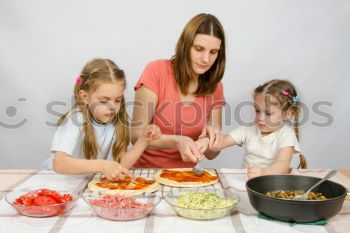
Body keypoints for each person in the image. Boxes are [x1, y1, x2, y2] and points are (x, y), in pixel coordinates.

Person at [131, 13, 226, 168]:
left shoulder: (216, 87)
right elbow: (135, 136)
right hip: (145, 173)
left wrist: (209, 140)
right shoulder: (156, 71)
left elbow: (212, 154)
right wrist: (176, 141)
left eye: (213, 52)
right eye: (199, 49)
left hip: (186, 177)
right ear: (185, 45)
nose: (206, 59)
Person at [43, 58, 161, 181]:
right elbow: (60, 163)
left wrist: (144, 140)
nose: (112, 107)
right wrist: (102, 165)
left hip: (84, 185)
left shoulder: (117, 121)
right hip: (56, 182)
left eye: (117, 100)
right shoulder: (76, 118)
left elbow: (120, 166)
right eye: (104, 101)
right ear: (85, 97)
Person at [208, 79, 307, 179]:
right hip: (246, 183)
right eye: (257, 111)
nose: (260, 118)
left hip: (272, 186)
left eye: (268, 113)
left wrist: (264, 172)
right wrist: (204, 143)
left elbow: (283, 165)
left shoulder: (286, 134)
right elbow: (221, 142)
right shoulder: (248, 129)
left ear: (288, 114)